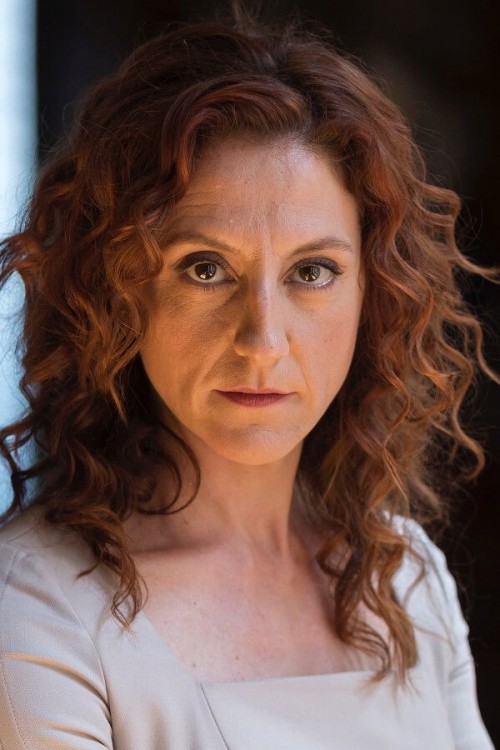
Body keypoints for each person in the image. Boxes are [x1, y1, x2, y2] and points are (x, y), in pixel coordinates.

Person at [0, 7, 496, 749]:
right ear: (119, 291)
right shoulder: (37, 613)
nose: (263, 341)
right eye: (206, 268)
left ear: (375, 295)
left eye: (312, 272)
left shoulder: (403, 578)